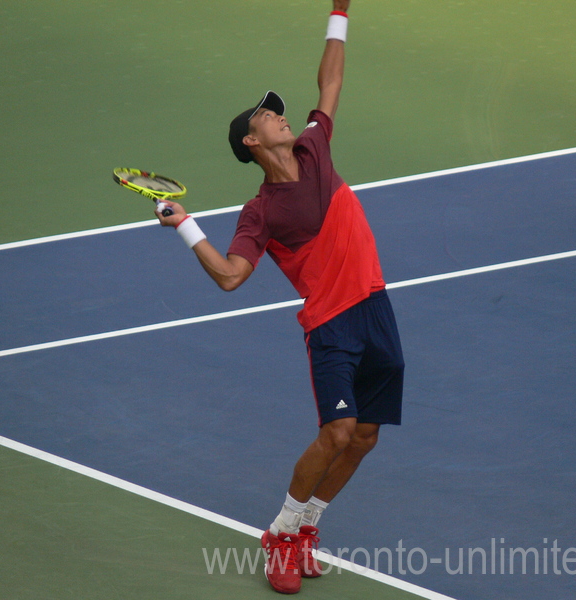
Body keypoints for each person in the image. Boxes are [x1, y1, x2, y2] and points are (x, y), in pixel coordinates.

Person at [156, 1, 404, 594]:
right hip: (332, 326)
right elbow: (230, 276)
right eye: (270, 115)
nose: (281, 116)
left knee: (365, 438)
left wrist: (339, 13)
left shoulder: (316, 145)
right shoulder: (259, 211)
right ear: (252, 139)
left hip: (376, 306)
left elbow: (333, 78)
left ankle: (307, 530)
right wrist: (187, 225)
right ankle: (279, 534)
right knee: (337, 434)